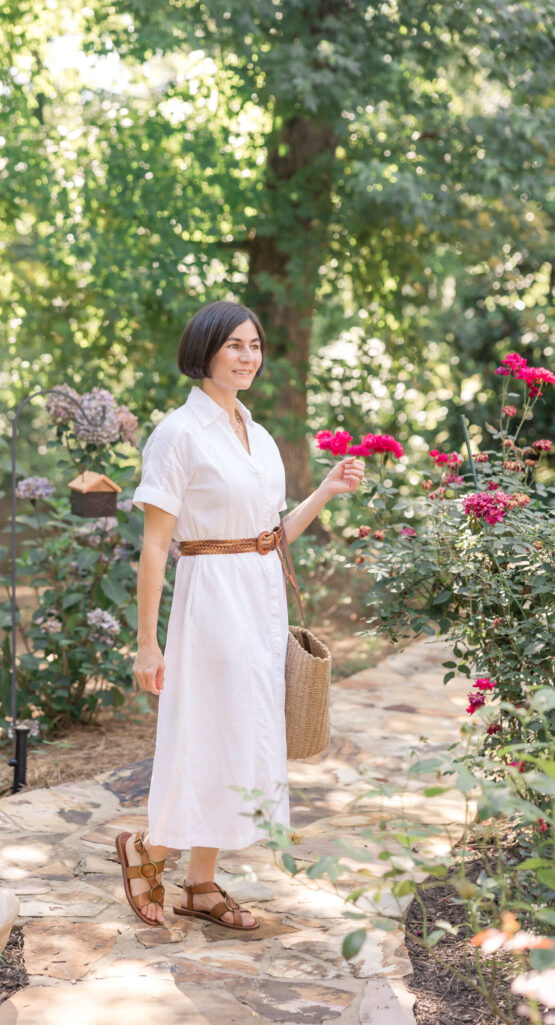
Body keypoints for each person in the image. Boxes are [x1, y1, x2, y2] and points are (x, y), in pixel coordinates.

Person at [115, 300, 365, 929]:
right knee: (207, 734)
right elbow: (153, 545)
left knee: (242, 737)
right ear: (205, 352)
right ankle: (148, 849)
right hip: (210, 600)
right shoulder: (177, 434)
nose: (248, 356)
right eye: (235, 345)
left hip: (260, 600)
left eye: (254, 345)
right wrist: (147, 642)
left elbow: (271, 535)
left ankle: (200, 886)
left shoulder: (258, 435)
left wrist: (326, 491)